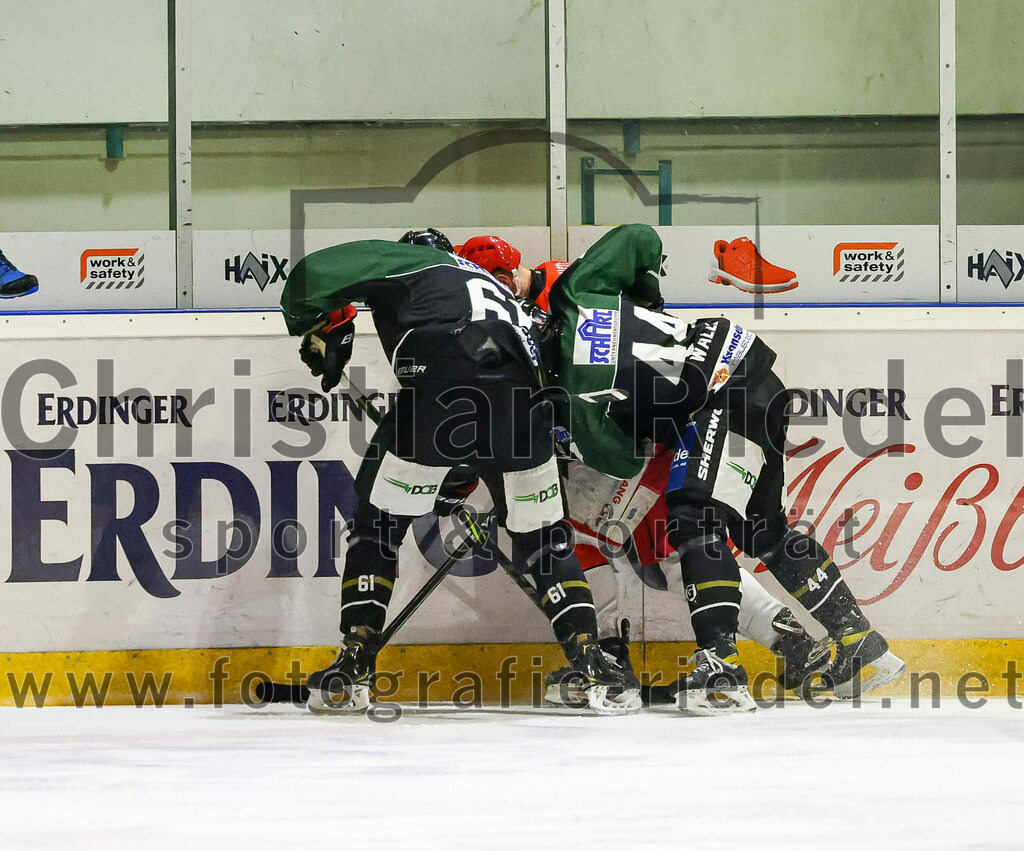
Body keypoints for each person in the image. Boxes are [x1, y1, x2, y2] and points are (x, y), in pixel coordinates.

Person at [459, 227, 904, 714]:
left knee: (683, 526)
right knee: (761, 531)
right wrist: (648, 305)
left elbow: (622, 457)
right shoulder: (575, 289)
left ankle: (714, 663)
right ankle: (858, 642)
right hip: (740, 373)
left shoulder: (571, 384)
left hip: (700, 406)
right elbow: (637, 238)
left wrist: (561, 436)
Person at [279, 234, 640, 714]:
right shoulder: (499, 293)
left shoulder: (409, 262)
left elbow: (312, 275)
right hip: (523, 401)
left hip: (441, 390)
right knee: (544, 540)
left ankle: (355, 662)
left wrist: (313, 326)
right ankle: (591, 660)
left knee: (378, 530)